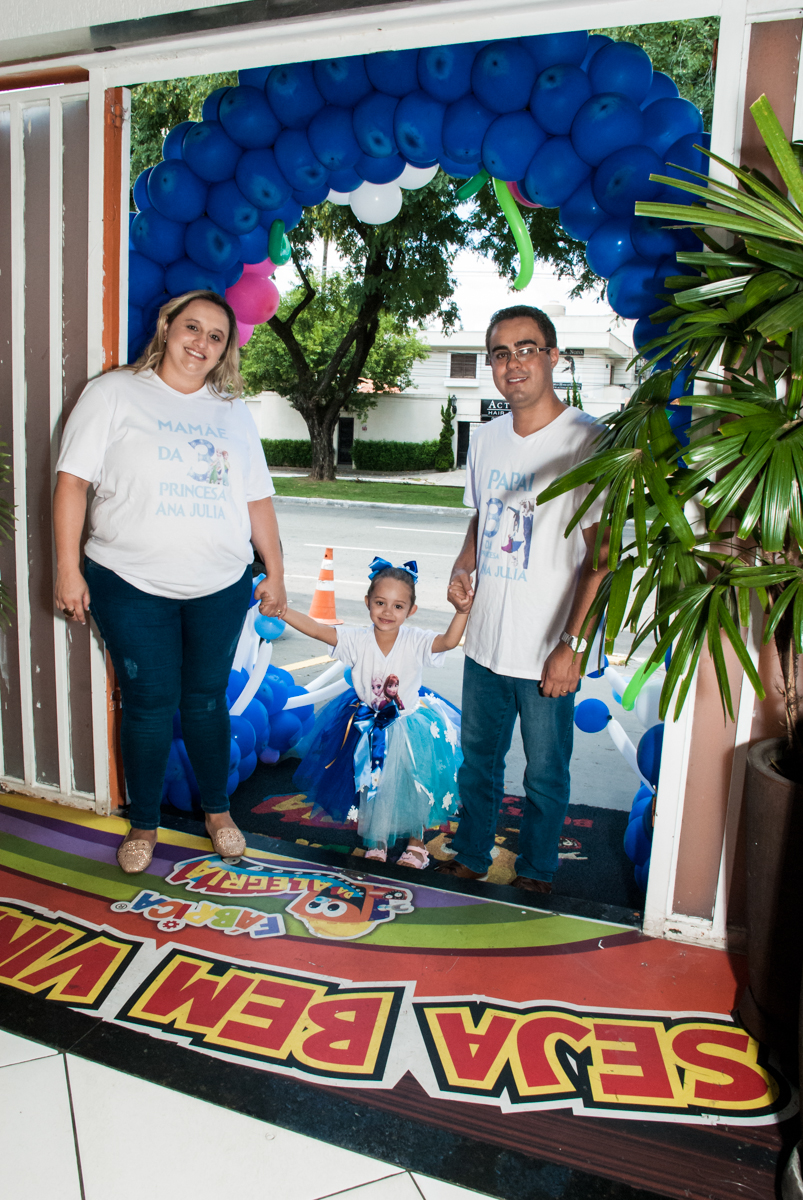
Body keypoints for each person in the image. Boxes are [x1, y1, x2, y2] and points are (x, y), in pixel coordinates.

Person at [53, 290, 286, 875]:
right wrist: (65, 567)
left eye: (215, 336)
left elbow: (258, 499)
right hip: (128, 582)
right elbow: (72, 483)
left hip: (219, 585)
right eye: (192, 328)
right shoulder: (112, 394)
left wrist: (276, 572)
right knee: (149, 706)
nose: (200, 343)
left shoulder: (232, 412)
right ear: (166, 326)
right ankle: (145, 824)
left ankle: (218, 814)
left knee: (208, 701)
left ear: (225, 350)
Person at [437, 304, 609, 894]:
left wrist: (573, 645)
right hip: (485, 639)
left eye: (527, 349)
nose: (513, 364)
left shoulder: (588, 441)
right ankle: (473, 851)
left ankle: (537, 868)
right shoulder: (484, 439)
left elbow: (603, 559)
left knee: (545, 774)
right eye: (501, 353)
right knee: (477, 763)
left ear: (553, 357)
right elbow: (482, 516)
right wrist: (465, 562)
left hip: (546, 649)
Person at [283, 558, 469, 869]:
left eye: (398, 606)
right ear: (368, 601)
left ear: (411, 611)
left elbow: (449, 641)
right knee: (373, 782)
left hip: (410, 728)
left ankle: (416, 842)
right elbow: (318, 630)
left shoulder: (416, 640)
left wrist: (462, 612)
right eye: (380, 603)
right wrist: (283, 611)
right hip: (367, 726)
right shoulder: (356, 639)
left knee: (413, 783)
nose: (387, 612)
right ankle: (378, 837)